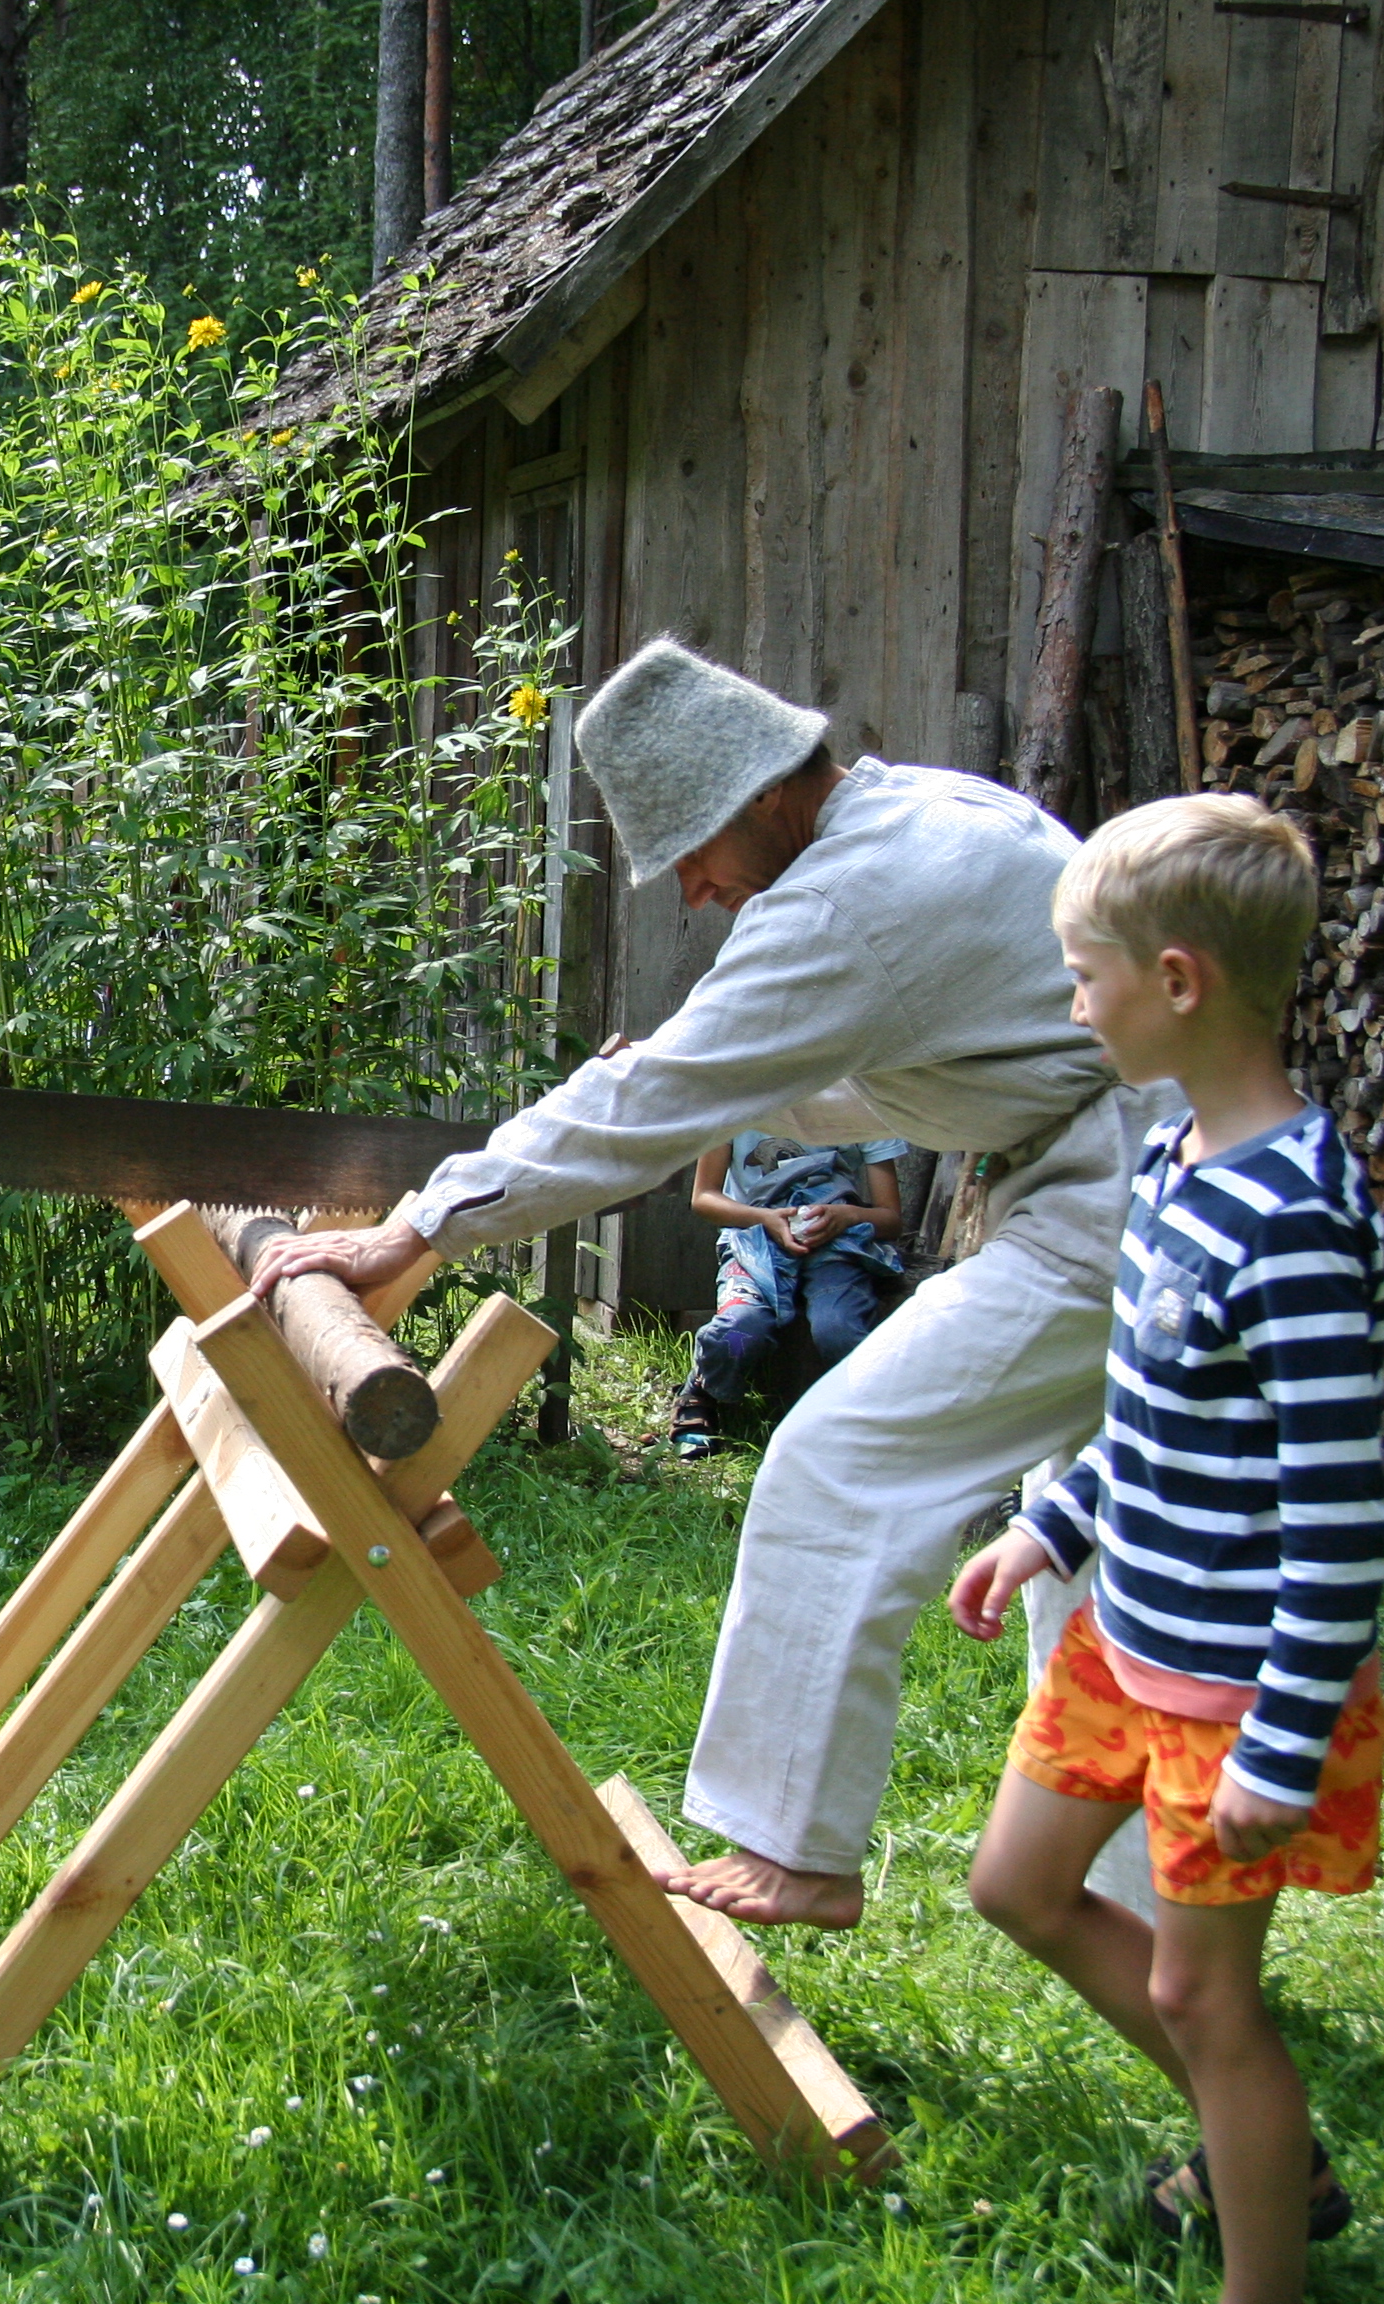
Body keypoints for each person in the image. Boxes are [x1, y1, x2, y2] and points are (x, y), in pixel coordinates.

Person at [254, 635, 1162, 1931]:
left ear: (760, 793)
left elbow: (669, 1093)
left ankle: (799, 1851)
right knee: (1089, 1548)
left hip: (1112, 1204)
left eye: (689, 847)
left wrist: (411, 1234)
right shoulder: (915, 819)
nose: (691, 888)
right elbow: (899, 1054)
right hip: (1116, 1177)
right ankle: (1140, 1908)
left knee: (840, 1463)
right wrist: (699, 1076)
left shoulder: (849, 899)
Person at [949, 795, 1384, 2296]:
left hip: (1232, 1696)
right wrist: (1049, 1526)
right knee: (1014, 1885)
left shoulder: (1298, 1226)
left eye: (1088, 974)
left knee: (1210, 2001)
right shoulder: (1171, 1166)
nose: (1076, 1001)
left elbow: (1340, 1522)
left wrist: (1282, 1744)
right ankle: (1258, 2142)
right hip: (1119, 1637)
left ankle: (1261, 2235)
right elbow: (1153, 1425)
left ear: (1178, 981)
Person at [667, 1128, 905, 1456]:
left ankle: (855, 1421)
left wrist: (846, 1215)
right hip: (753, 1242)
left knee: (839, 1330)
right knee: (739, 1330)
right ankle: (701, 1389)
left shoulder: (860, 1107)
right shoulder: (737, 1101)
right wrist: (764, 1218)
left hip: (838, 1248)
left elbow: (890, 1217)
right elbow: (704, 1199)